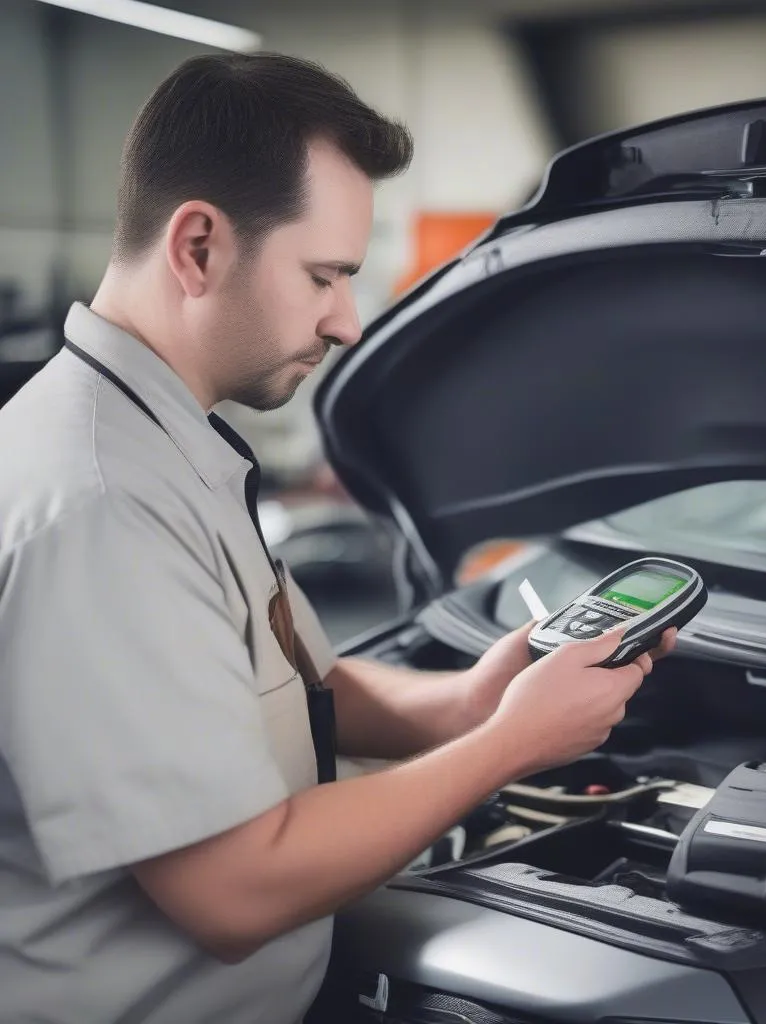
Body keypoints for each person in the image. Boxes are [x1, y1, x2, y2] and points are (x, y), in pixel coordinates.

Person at [0, 52, 677, 1024]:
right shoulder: (103, 500)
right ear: (197, 246)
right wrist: (508, 746)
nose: (346, 322)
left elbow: (293, 685)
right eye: (323, 276)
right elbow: (234, 886)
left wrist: (468, 702)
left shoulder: (163, 443)